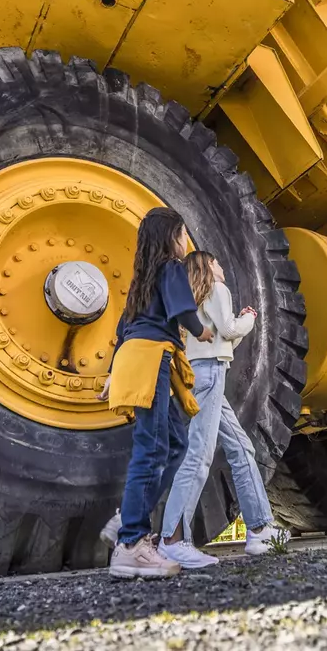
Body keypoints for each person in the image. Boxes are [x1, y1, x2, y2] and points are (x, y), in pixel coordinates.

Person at [158, 251, 292, 568]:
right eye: (218, 263)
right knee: (199, 455)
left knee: (241, 447)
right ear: (209, 267)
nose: (222, 267)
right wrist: (250, 319)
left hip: (204, 372)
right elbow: (230, 331)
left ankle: (260, 529)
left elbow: (222, 340)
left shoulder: (195, 297)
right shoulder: (218, 290)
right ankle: (172, 541)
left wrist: (237, 326)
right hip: (210, 373)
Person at [102, 207, 214, 578]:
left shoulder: (142, 280)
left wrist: (112, 372)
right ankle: (132, 543)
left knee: (176, 442)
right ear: (171, 237)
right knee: (151, 449)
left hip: (135, 358)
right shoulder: (171, 269)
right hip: (152, 360)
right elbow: (183, 309)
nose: (185, 242)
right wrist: (203, 332)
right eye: (182, 234)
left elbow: (123, 328)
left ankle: (127, 518)